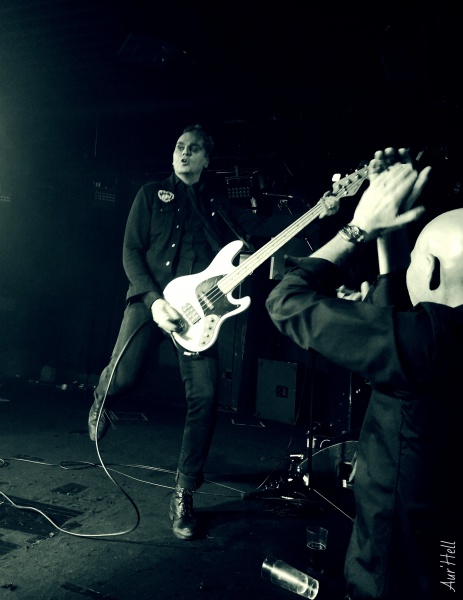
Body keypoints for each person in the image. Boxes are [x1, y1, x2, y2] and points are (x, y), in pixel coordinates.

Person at [87, 123, 318, 540]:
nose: (184, 153)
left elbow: (265, 223)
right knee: (123, 377)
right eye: (180, 146)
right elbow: (130, 251)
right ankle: (101, 399)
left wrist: (319, 209)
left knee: (206, 398)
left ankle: (184, 492)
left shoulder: (217, 204)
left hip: (198, 313)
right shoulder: (150, 194)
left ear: (207, 159)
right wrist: (154, 301)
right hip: (151, 300)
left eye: (194, 149)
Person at [266, 147, 459, 599]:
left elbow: (286, 302)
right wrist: (390, 236)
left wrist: (360, 228)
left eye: (419, 259)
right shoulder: (437, 340)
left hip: (392, 577)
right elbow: (402, 316)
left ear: (431, 271)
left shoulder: (424, 344)